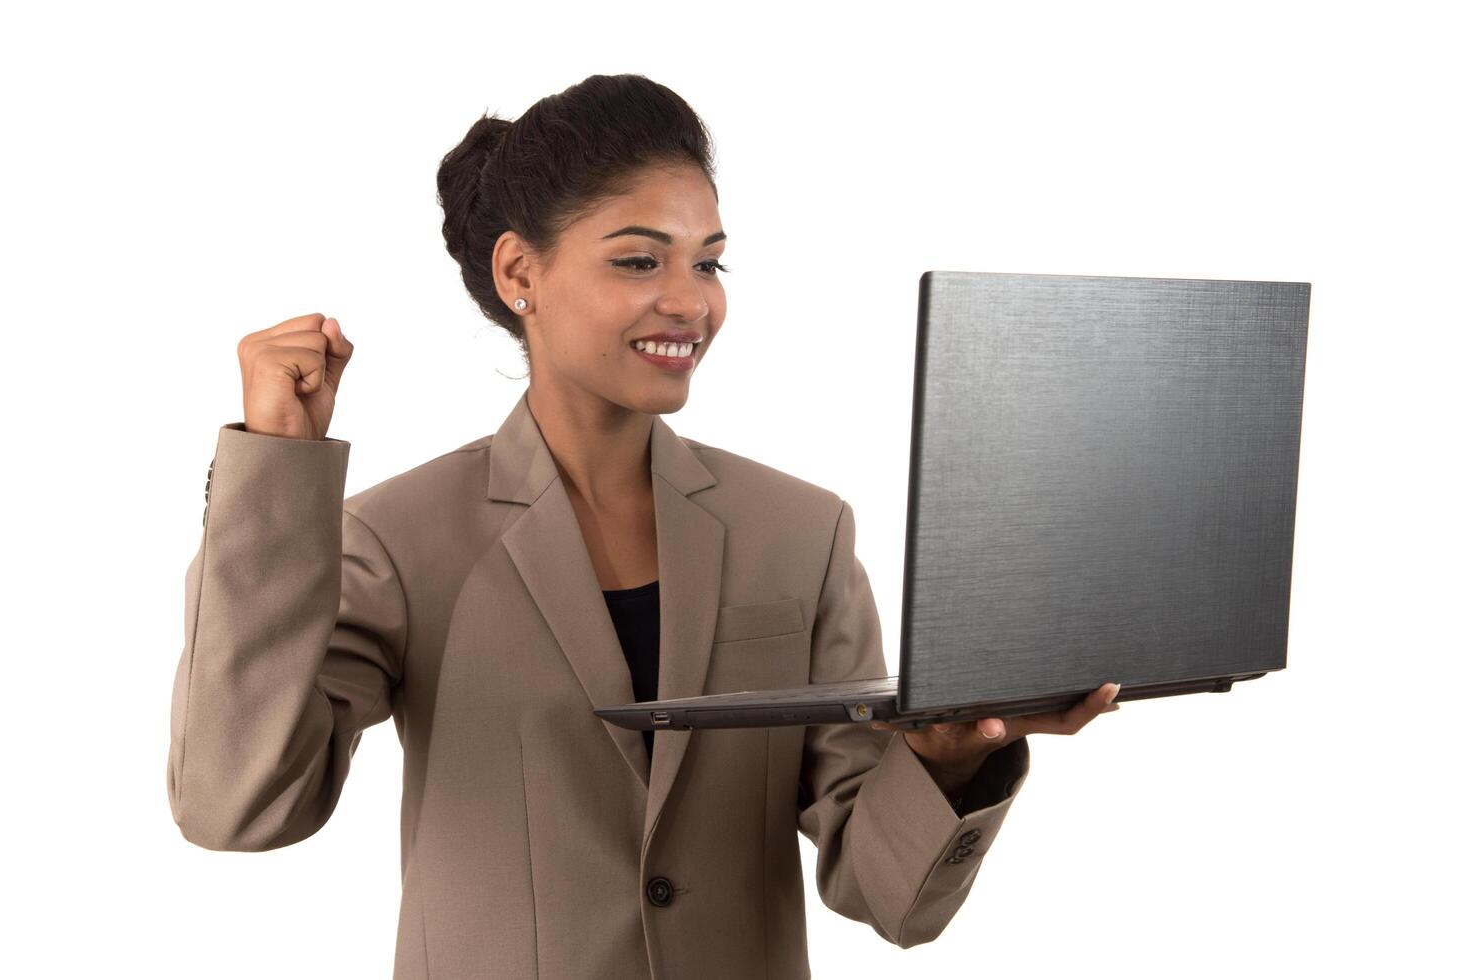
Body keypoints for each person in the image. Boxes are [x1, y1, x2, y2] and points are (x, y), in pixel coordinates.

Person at [166, 72, 1120, 979]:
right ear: (518, 274)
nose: (689, 300)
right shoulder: (397, 539)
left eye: (708, 260)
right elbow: (237, 806)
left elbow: (887, 897)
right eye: (637, 260)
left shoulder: (801, 531)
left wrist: (942, 761)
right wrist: (274, 475)